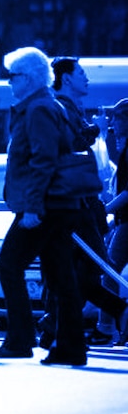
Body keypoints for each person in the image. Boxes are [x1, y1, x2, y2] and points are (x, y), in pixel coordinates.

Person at [0, 47, 87, 366]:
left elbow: (43, 161)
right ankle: (70, 346)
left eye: (12, 76)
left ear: (27, 78)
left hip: (44, 205)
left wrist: (31, 208)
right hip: (58, 204)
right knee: (60, 275)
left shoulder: (39, 108)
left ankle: (20, 338)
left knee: (9, 265)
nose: (9, 83)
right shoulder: (47, 104)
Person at [45, 57, 128, 347]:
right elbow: (68, 149)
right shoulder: (63, 108)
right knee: (85, 268)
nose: (87, 79)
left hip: (80, 203)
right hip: (76, 202)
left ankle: (56, 327)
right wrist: (92, 134)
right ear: (67, 79)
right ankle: (57, 326)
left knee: (86, 269)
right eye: (82, 73)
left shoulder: (71, 109)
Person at [100, 98, 128, 344]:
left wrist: (106, 210)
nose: (112, 124)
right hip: (122, 221)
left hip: (127, 223)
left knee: (110, 270)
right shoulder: (125, 150)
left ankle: (106, 327)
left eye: (117, 118)